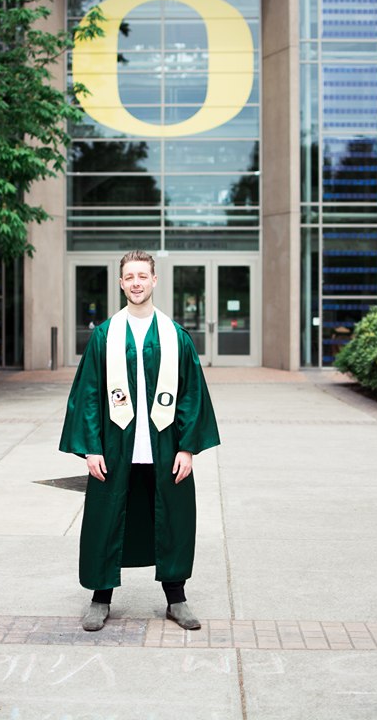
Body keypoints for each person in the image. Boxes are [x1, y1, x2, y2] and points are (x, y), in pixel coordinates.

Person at [59, 250, 220, 632]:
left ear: (154, 280)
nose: (136, 283)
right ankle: (100, 598)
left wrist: (187, 447)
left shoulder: (174, 336)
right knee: (105, 520)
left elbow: (191, 395)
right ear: (121, 283)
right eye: (129, 277)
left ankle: (176, 599)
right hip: (116, 449)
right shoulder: (105, 335)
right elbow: (88, 394)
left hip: (165, 450)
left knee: (174, 520)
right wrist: (91, 447)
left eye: (142, 276)